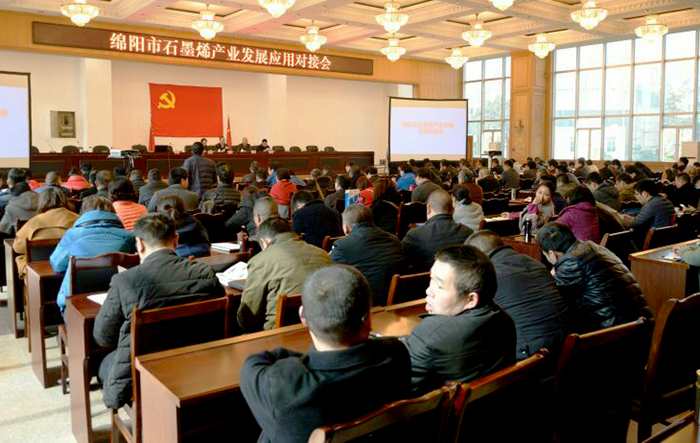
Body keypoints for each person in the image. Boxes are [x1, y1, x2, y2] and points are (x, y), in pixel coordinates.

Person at [240, 265, 410, 443]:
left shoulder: (283, 386)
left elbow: (256, 362)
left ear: (303, 318)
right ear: (368, 319)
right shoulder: (397, 354)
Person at [93, 213, 225, 410]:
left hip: (144, 370)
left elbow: (103, 336)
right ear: (176, 240)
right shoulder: (204, 273)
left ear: (140, 244)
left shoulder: (124, 281)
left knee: (104, 363)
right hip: (198, 363)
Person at [403, 245, 515, 393]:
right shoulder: (505, 321)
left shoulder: (431, 335)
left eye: (439, 285)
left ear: (471, 299)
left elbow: (396, 387)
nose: (428, 290)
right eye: (431, 279)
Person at [466, 231, 572, 361]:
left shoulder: (489, 275)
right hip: (568, 347)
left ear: (478, 257)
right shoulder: (536, 263)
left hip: (532, 358)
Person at [538, 223, 652, 333]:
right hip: (641, 325)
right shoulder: (594, 248)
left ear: (552, 254)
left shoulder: (571, 262)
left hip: (620, 334)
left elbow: (551, 299)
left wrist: (552, 275)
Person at [238, 217, 332, 332]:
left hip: (277, 334)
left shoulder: (260, 262)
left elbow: (247, 319)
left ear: (264, 241)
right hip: (322, 329)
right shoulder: (323, 255)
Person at [51, 196, 136, 314]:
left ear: (84, 212)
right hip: (120, 301)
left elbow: (58, 265)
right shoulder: (129, 236)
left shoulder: (72, 235)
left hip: (75, 303)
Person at [331, 204, 404, 306]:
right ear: (371, 220)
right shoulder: (394, 240)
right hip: (398, 299)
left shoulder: (342, 246)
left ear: (346, 227)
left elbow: (333, 276)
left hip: (365, 304)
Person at [13, 188, 79, 279]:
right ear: (64, 200)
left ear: (42, 202)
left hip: (38, 271)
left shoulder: (34, 222)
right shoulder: (77, 218)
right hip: (69, 269)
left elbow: (18, 248)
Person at [403, 190, 473, 272]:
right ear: (453, 210)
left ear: (428, 208)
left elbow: (401, 261)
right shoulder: (468, 233)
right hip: (459, 278)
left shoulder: (415, 235)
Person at [622, 179, 674, 246]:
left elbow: (634, 224)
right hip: (666, 240)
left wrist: (622, 218)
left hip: (652, 242)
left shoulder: (650, 205)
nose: (636, 197)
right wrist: (631, 218)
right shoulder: (667, 201)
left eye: (637, 194)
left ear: (645, 194)